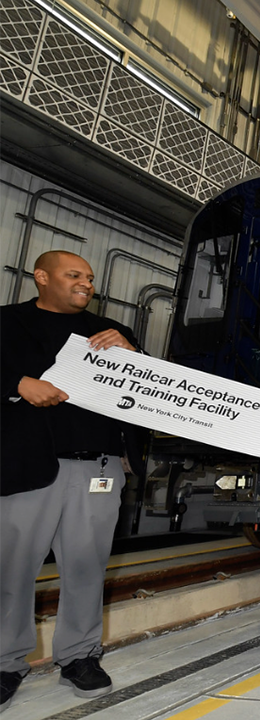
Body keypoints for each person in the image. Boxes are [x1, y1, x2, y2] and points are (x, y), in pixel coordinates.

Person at [1, 251, 141, 708]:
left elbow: (147, 393)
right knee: (12, 569)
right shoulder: (6, 323)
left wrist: (135, 357)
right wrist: (16, 383)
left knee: (86, 566)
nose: (86, 284)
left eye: (90, 278)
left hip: (97, 470)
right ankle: (6, 661)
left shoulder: (112, 334)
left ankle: (80, 656)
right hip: (26, 468)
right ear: (41, 277)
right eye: (74, 275)